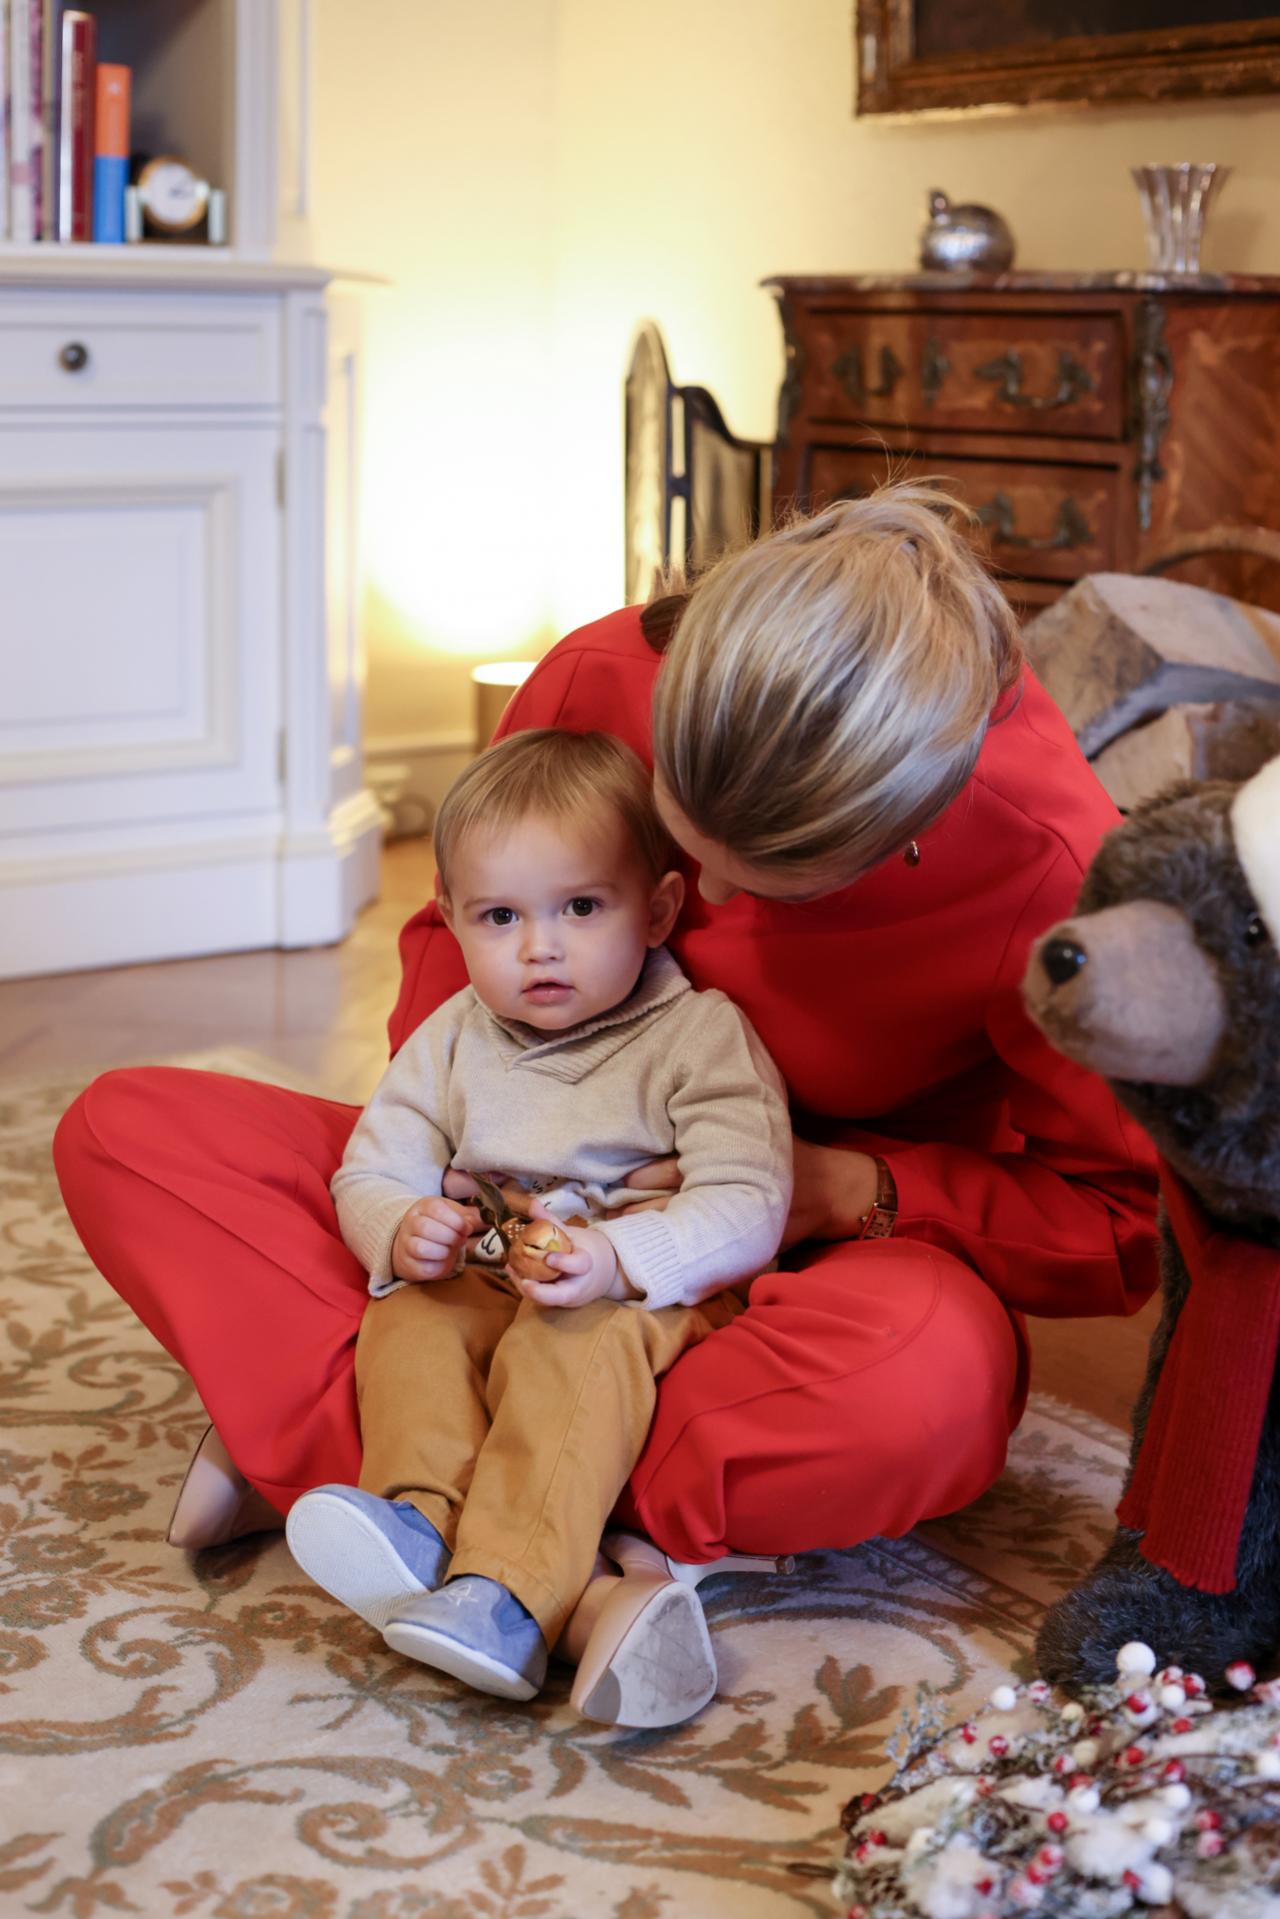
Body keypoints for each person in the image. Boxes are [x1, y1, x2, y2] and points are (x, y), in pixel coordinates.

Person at [53, 483, 1159, 1721]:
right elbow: (448, 923)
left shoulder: (1056, 865)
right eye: (682, 852)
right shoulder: (594, 671)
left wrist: (843, 1186)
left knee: (927, 1382)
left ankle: (386, 1480)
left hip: (782, 1253)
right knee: (127, 1133)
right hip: (509, 1212)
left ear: (902, 832)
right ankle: (572, 1571)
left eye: (771, 894)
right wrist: (442, 1156)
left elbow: (1117, 1221)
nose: (704, 913)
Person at [285, 726, 791, 1718]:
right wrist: (397, 1225)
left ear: (657, 909)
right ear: (451, 919)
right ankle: (415, 1525)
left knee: (571, 1352)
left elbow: (749, 1197)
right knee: (410, 1319)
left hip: (627, 1289)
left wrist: (618, 1257)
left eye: (580, 907)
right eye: (500, 915)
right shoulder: (453, 1037)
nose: (539, 945)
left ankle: (508, 1591)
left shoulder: (696, 1035)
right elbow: (372, 1162)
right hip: (486, 1261)